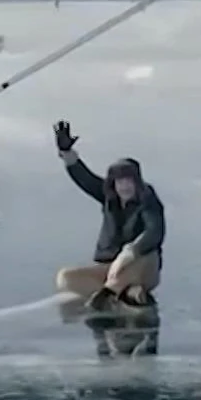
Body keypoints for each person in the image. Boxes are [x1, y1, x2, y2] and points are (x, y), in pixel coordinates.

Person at [52, 120, 166, 310]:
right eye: (120, 182)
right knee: (65, 278)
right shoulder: (109, 196)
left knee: (149, 255)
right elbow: (85, 178)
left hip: (139, 267)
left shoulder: (148, 200)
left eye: (129, 181)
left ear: (137, 182)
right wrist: (66, 153)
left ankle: (111, 292)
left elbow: (155, 231)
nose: (124, 186)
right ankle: (127, 294)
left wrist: (129, 253)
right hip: (108, 269)